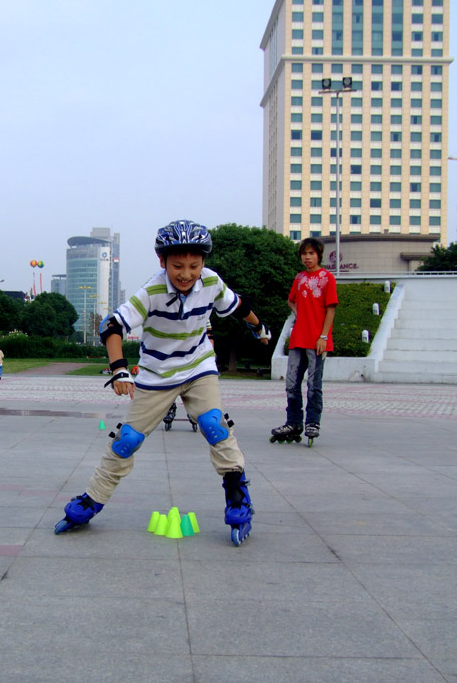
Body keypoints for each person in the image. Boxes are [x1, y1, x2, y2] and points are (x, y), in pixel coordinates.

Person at [54, 219, 271, 546]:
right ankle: (91, 499)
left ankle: (238, 497)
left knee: (215, 425)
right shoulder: (152, 291)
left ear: (203, 263)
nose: (186, 274)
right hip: (156, 375)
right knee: (126, 440)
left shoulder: (211, 282)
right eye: (177, 266)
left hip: (199, 368)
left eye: (194, 265)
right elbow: (112, 326)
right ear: (162, 262)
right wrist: (119, 369)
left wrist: (259, 327)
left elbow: (238, 306)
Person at [270, 237, 338, 446]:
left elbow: (331, 309)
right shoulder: (299, 278)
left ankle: (312, 423)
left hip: (317, 340)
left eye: (311, 253)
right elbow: (291, 299)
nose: (307, 257)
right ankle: (293, 422)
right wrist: (301, 312)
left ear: (318, 255)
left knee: (314, 385)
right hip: (298, 338)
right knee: (292, 384)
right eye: (304, 254)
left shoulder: (327, 278)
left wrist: (323, 336)